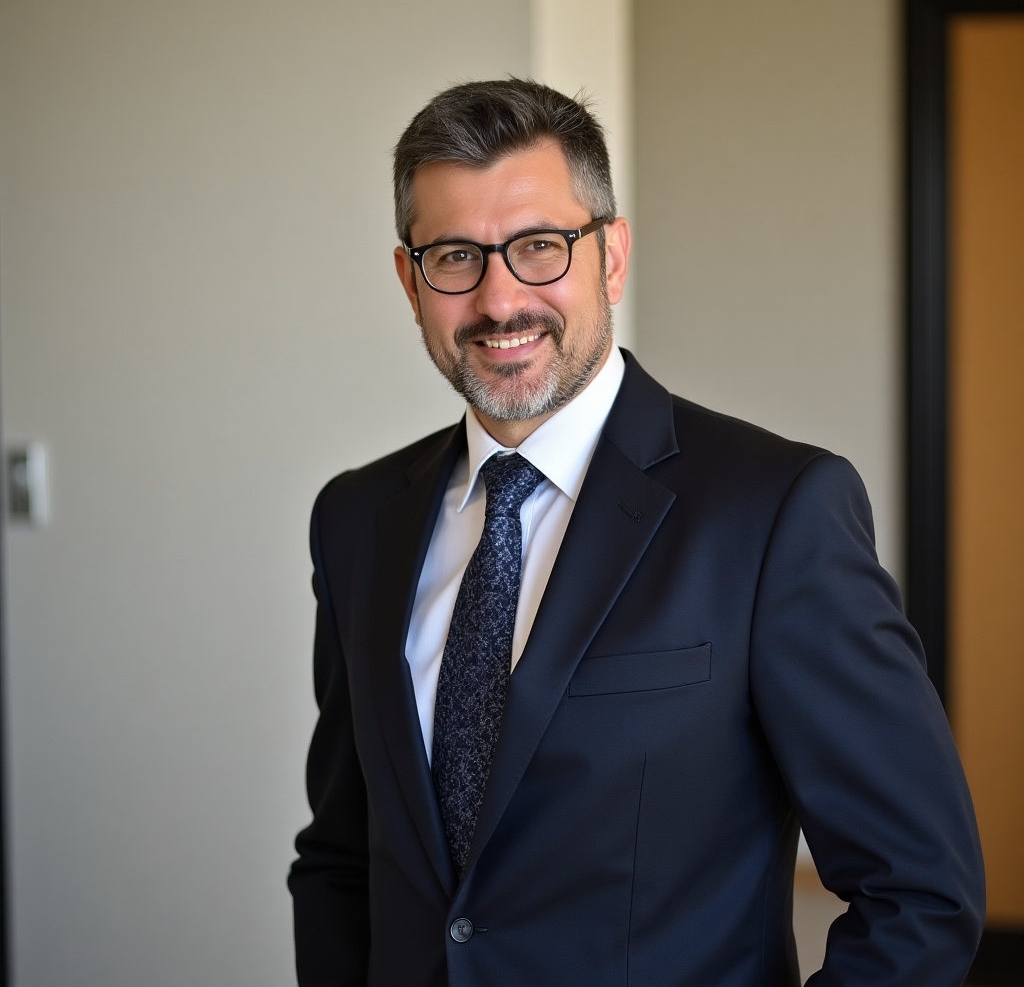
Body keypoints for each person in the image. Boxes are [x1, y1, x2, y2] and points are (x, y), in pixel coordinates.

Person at [288, 78, 984, 987]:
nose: (500, 301)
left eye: (539, 247)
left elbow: (921, 893)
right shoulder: (357, 518)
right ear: (408, 280)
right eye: (456, 256)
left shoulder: (775, 511)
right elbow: (343, 857)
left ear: (611, 257)